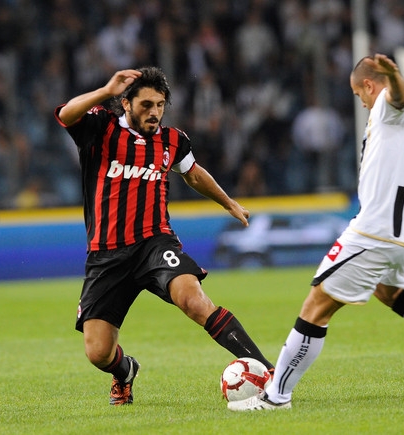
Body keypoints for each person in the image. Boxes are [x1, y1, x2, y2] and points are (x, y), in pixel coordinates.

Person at [228, 54, 404, 412]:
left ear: (369, 85)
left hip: (376, 232)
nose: (363, 102)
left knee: (316, 305)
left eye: (359, 95)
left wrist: (393, 77)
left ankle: (276, 397)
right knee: (393, 292)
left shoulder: (390, 104)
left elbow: (396, 96)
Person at [54, 67, 274, 406]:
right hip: (106, 254)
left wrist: (228, 202)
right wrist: (106, 90)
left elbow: (193, 174)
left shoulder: (173, 140)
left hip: (154, 243)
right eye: (146, 105)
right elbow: (67, 114)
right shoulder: (101, 127)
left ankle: (271, 374)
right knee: (98, 352)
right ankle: (125, 371)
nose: (154, 112)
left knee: (194, 300)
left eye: (159, 105)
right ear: (125, 103)